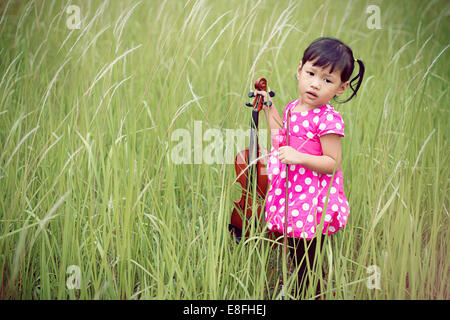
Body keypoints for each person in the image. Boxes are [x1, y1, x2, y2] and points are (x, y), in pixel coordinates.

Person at [256, 37, 365, 298]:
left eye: (327, 80)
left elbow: (332, 163)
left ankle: (311, 290)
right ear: (299, 70)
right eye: (311, 73)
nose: (316, 83)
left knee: (309, 254)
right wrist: (269, 107)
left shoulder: (328, 118)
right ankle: (300, 286)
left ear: (341, 88)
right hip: (293, 192)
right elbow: (281, 137)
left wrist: (300, 158)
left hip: (312, 198)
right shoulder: (294, 107)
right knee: (294, 246)